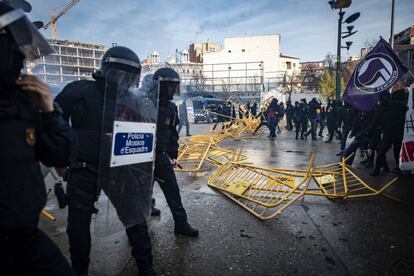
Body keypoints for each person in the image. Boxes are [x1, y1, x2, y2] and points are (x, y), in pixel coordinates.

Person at [56, 46, 157, 276]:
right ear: (108, 71)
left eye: (131, 76)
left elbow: (143, 133)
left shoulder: (132, 100)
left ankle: (147, 267)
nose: (126, 81)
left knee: (135, 216)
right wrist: (61, 160)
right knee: (78, 225)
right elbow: (55, 124)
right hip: (83, 168)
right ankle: (79, 270)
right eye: (122, 74)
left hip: (117, 167)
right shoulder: (79, 90)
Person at [0, 4, 75, 275]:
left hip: (25, 239)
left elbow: (62, 154)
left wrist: (49, 110)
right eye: (14, 48)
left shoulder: (22, 101)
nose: (21, 57)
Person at [151, 67, 199, 237]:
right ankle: (139, 225)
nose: (173, 90)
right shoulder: (144, 104)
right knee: (141, 193)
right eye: (170, 86)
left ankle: (181, 223)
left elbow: (172, 133)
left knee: (173, 190)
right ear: (160, 86)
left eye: (175, 86)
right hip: (142, 158)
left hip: (161, 156)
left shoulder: (171, 108)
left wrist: (174, 155)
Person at [370, 90, 408, 176]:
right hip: (399, 131)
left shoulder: (380, 108)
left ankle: (376, 170)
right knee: (397, 150)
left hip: (388, 133)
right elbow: (406, 109)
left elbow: (375, 123)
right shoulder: (398, 104)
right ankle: (400, 167)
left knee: (381, 151)